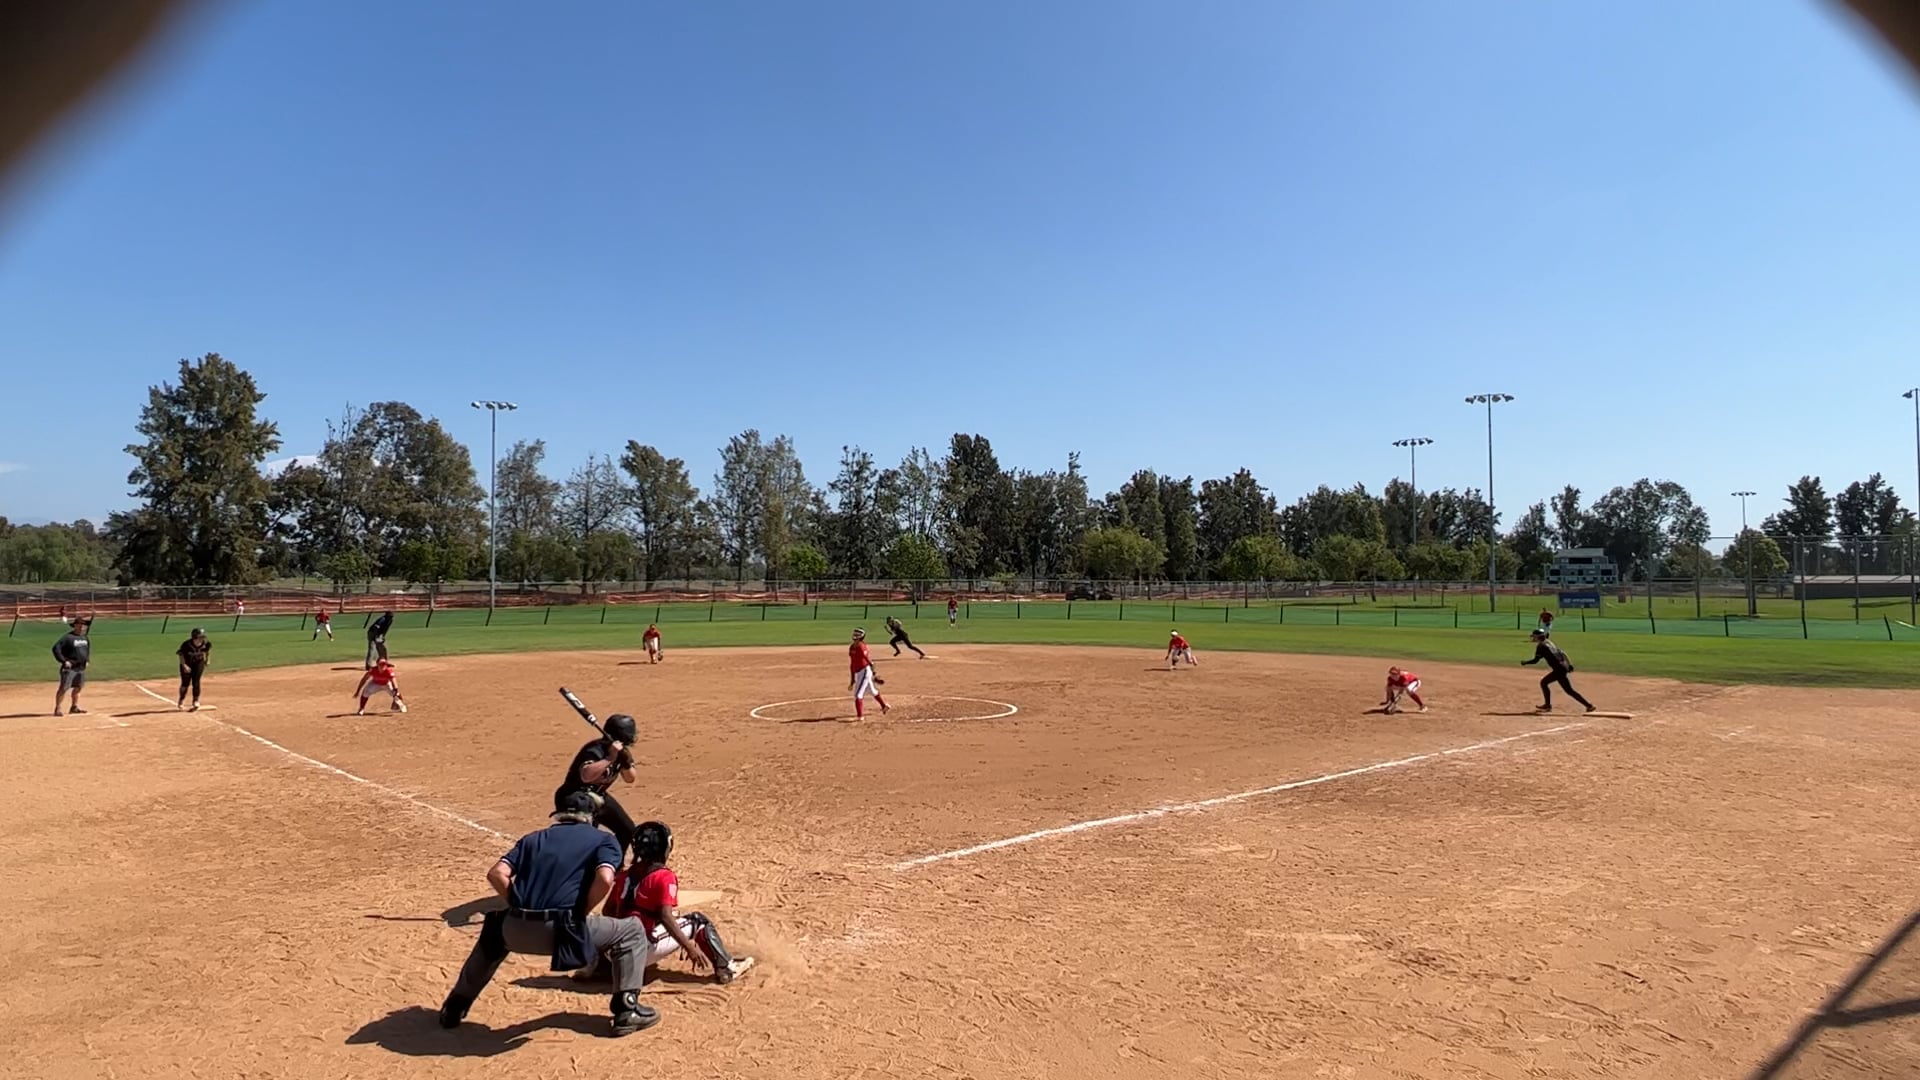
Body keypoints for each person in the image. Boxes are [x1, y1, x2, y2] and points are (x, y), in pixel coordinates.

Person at [439, 790, 657, 1036]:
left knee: (492, 935)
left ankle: (454, 1007)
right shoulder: (604, 840)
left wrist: (517, 904)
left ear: (559, 814)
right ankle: (627, 1010)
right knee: (631, 931)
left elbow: (496, 874)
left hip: (515, 931)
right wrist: (581, 911)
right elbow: (605, 879)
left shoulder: (532, 838)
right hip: (563, 932)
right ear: (592, 816)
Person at [604, 821, 753, 984]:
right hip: (637, 953)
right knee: (697, 920)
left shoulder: (625, 875)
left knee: (640, 919)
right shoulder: (663, 876)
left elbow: (608, 911)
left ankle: (603, 966)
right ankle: (727, 968)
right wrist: (689, 947)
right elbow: (665, 916)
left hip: (611, 951)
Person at [555, 712, 640, 854]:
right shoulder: (594, 750)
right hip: (575, 798)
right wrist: (609, 759)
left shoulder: (622, 752)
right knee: (587, 839)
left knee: (627, 830)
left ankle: (614, 863)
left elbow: (630, 778)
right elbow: (586, 776)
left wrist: (625, 762)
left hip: (598, 796)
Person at [1523, 629, 1594, 714]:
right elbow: (1563, 653)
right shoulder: (1549, 643)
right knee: (1569, 690)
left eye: (1534, 636)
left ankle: (1547, 706)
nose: (1533, 638)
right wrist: (1569, 664)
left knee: (1544, 683)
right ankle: (1589, 706)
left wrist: (1525, 662)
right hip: (1562, 667)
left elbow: (1535, 661)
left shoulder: (1541, 646)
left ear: (1538, 637)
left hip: (1559, 669)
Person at [52, 615, 92, 716]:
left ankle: (74, 707)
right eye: (79, 625)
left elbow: (87, 650)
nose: (81, 627)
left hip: (81, 668)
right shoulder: (68, 638)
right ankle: (58, 708)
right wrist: (64, 661)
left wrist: (87, 660)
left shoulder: (85, 638)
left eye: (83, 625)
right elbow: (56, 648)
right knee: (64, 688)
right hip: (70, 668)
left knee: (78, 687)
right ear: (75, 626)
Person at [849, 628, 889, 718]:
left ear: (861, 637)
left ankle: (860, 717)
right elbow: (852, 663)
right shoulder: (852, 647)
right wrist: (852, 679)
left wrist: (873, 674)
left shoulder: (861, 647)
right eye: (855, 634)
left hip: (865, 671)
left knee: (858, 695)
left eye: (857, 634)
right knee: (872, 690)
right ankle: (884, 706)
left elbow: (869, 661)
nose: (855, 636)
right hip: (859, 673)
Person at [176, 627, 212, 711]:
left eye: (202, 636)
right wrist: (184, 665)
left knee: (196, 682)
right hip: (187, 664)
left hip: (199, 663)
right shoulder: (187, 644)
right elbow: (181, 655)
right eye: (200, 637)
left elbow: (207, 651)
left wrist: (207, 659)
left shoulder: (205, 643)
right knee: (185, 684)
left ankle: (195, 701)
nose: (202, 638)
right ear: (195, 636)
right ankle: (181, 700)